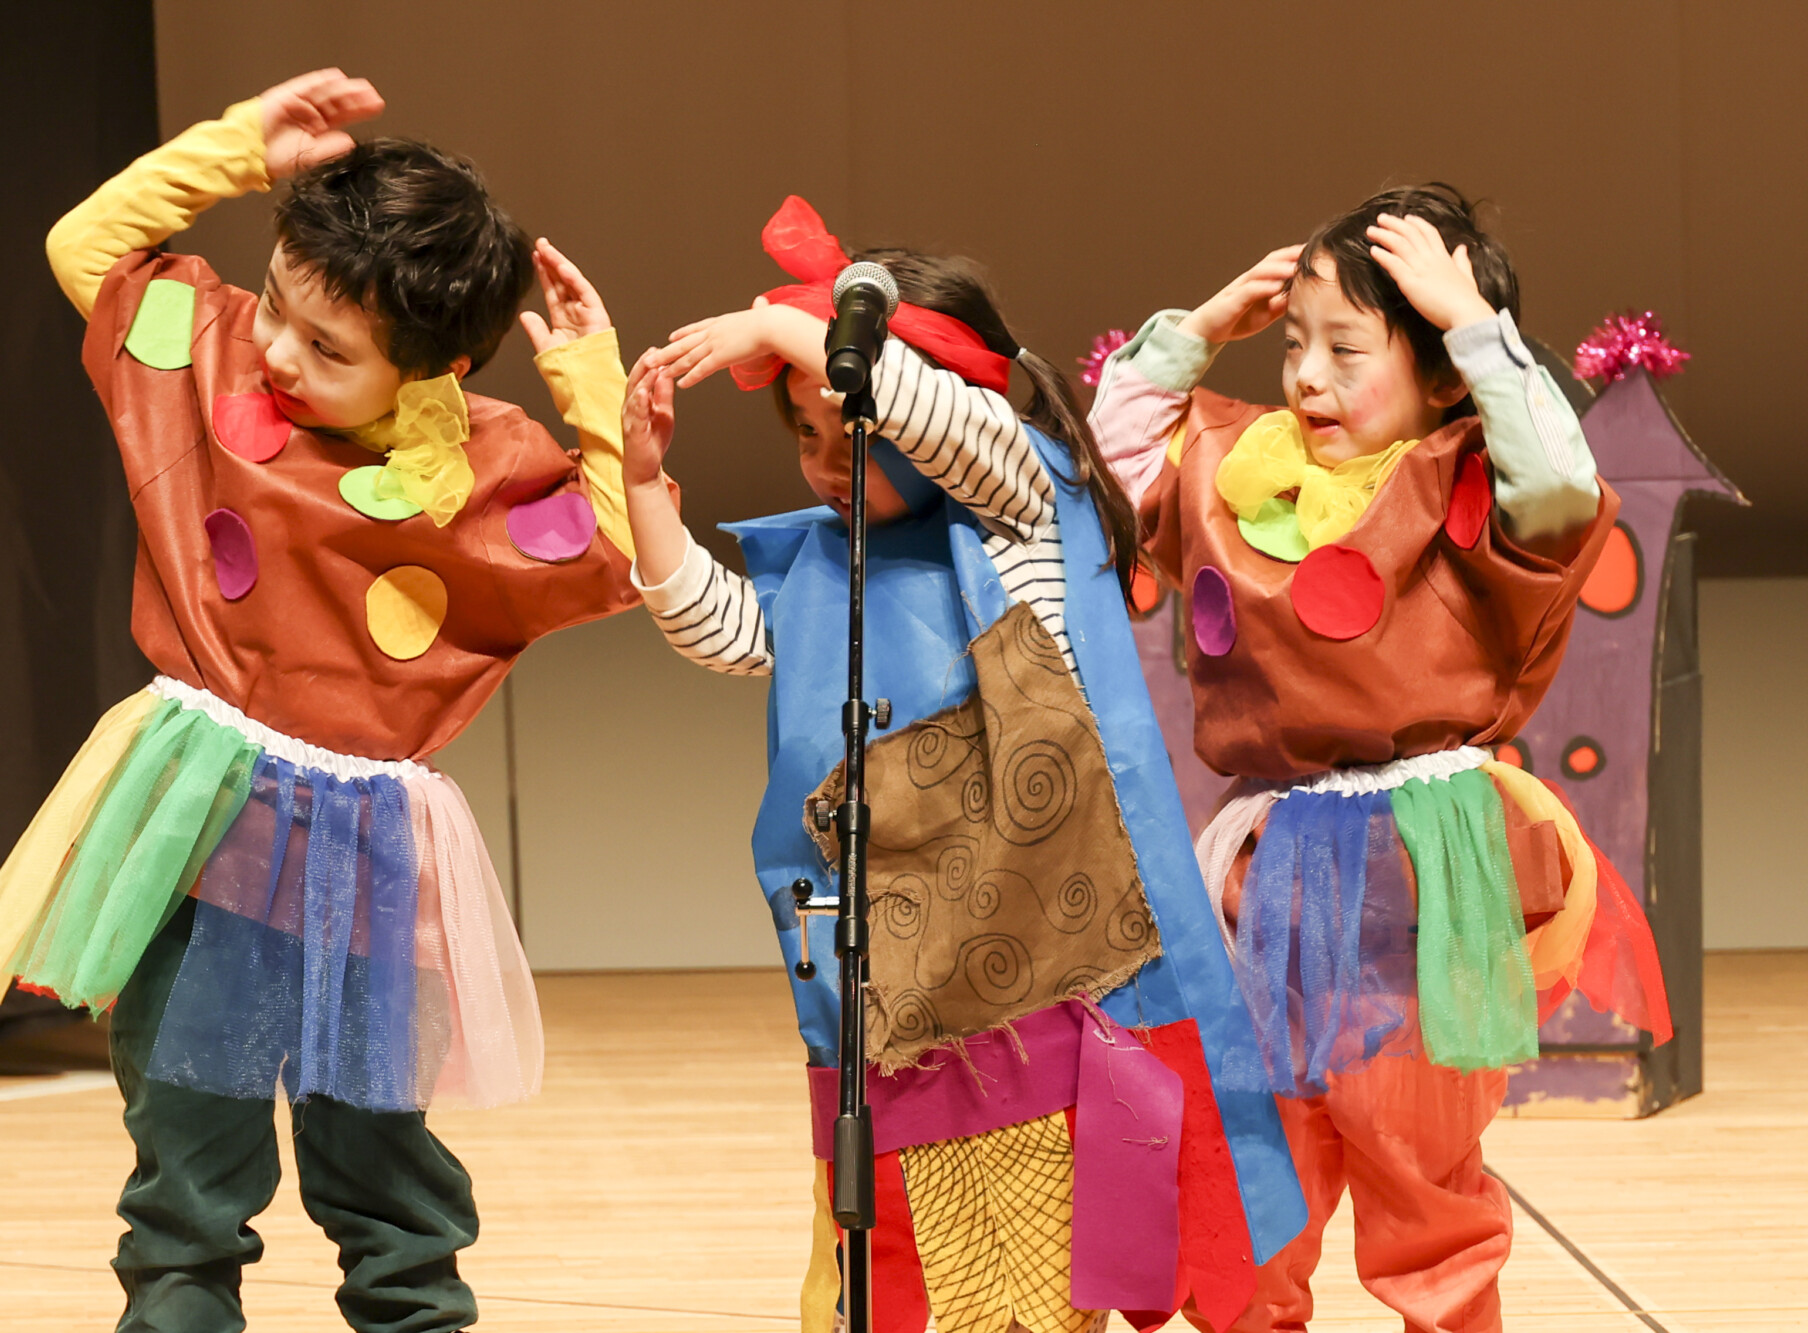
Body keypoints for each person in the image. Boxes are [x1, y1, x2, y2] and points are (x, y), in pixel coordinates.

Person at [0, 69, 641, 1333]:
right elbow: (85, 249)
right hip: (198, 826)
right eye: (275, 305)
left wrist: (592, 379)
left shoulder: (476, 467)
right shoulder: (216, 367)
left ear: (435, 366)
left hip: (362, 853)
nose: (276, 351)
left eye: (329, 349)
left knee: (383, 1170)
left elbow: (620, 545)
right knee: (187, 1162)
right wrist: (235, 151)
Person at [619, 196, 1305, 1333]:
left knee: (1041, 1275)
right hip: (902, 975)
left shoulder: (1015, 508)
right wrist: (645, 488)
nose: (827, 462)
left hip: (1042, 970)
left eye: (850, 429)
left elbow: (951, 424)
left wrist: (786, 329)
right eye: (805, 436)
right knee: (920, 1266)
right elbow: (726, 631)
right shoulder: (829, 560)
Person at [1090, 183, 1673, 1333]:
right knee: (1255, 1168)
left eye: (1344, 349)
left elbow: (1560, 479)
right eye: (1292, 345)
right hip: (1268, 862)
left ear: (1442, 376)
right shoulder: (1242, 469)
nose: (1305, 375)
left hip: (1419, 862)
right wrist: (1196, 330)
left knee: (1419, 1162)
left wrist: (1473, 329)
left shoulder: (1472, 483)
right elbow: (1113, 460)